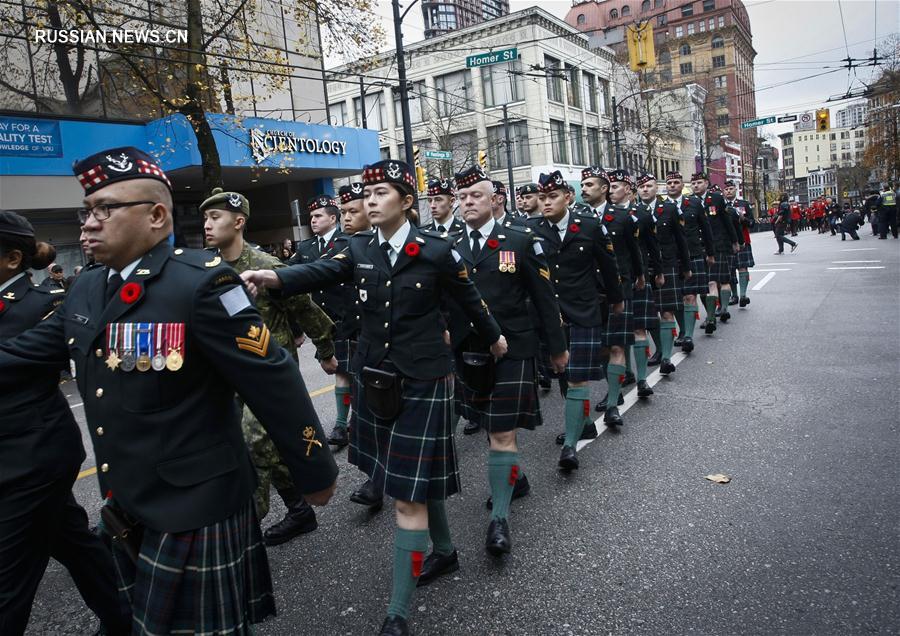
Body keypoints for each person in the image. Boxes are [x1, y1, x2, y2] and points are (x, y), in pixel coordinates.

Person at [0, 146, 338, 635]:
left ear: (157, 215)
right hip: (130, 501)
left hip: (199, 506)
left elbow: (274, 379)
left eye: (105, 209)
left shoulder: (203, 283)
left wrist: (315, 469)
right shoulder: (85, 290)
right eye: (86, 212)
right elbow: (25, 354)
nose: (89, 224)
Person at [241, 159, 506, 636]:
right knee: (413, 479)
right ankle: (443, 551)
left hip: (425, 380)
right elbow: (319, 272)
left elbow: (471, 301)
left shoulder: (437, 250)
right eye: (366, 194)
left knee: (407, 495)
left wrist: (494, 339)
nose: (369, 201)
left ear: (406, 201)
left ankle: (397, 613)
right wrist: (274, 278)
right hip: (378, 379)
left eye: (380, 192)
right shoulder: (358, 247)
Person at [0, 212, 130, 636]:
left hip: (31, 458)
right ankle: (123, 617)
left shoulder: (46, 304)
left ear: (12, 259)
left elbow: (21, 363)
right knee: (75, 544)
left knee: (8, 580)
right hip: (15, 459)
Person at [201, 187, 339, 546]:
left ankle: (241, 532)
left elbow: (305, 309)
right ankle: (299, 510)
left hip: (269, 374)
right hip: (226, 375)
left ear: (239, 221)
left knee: (254, 442)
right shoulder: (207, 270)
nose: (207, 225)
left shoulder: (265, 266)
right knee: (260, 446)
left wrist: (325, 350)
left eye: (215, 217)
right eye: (205, 218)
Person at [448, 165, 567, 557]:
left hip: (514, 347)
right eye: (462, 197)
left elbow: (544, 297)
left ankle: (499, 518)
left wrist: (557, 347)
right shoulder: (445, 243)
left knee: (501, 432)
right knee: (488, 425)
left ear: (494, 199)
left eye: (475, 196)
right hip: (469, 350)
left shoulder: (519, 239)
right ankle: (516, 479)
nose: (467, 203)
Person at [525, 170, 623, 467]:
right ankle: (583, 422)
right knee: (563, 375)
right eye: (542, 198)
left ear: (568, 197)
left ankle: (569, 445)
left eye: (552, 196)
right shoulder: (530, 230)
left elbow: (608, 265)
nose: (546, 202)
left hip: (583, 311)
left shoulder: (590, 226)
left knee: (577, 377)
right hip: (548, 315)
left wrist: (616, 300)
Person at [290, 196, 354, 447]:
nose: (313, 220)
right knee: (341, 370)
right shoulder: (305, 248)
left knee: (348, 372)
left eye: (318, 216)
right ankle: (344, 424)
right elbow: (287, 272)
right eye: (311, 216)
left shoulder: (348, 242)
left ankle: (343, 424)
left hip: (348, 317)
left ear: (333, 218)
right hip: (323, 322)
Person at [337, 182, 385, 510]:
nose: (348, 217)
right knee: (368, 418)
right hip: (357, 336)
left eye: (354, 211)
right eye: (344, 212)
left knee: (387, 418)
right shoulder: (346, 247)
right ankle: (375, 478)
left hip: (391, 342)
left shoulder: (389, 246)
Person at [599, 169, 646, 412]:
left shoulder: (631, 215)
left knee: (627, 335)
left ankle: (636, 383)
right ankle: (624, 374)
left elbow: (637, 248)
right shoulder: (582, 216)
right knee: (606, 346)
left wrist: (642, 274)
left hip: (624, 282)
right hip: (595, 289)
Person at [667, 171, 713, 353]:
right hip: (671, 257)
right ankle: (683, 330)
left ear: (682, 185)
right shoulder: (660, 207)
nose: (672, 185)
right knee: (677, 298)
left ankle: (688, 335)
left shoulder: (694, 203)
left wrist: (710, 253)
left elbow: (706, 229)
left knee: (690, 296)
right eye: (669, 183)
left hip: (693, 253)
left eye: (676, 182)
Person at [690, 173, 740, 333]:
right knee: (709, 283)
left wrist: (734, 241)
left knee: (723, 280)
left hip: (718, 244)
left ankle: (723, 308)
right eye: (693, 183)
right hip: (700, 247)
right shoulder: (689, 201)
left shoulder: (717, 199)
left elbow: (726, 221)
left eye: (699, 182)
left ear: (706, 183)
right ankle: (711, 315)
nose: (696, 185)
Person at [723, 180, 755, 307]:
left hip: (743, 240)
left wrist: (743, 218)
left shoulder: (743, 204)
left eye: (731, 188)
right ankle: (734, 295)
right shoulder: (721, 206)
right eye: (726, 189)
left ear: (735, 190)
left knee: (742, 267)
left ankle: (743, 295)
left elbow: (752, 223)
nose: (728, 191)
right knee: (729, 270)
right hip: (727, 242)